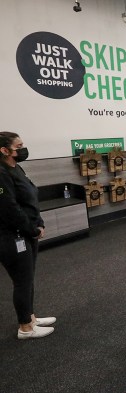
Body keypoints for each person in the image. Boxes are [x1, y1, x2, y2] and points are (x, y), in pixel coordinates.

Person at [0, 131, 55, 339]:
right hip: (12, 237)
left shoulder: (16, 168)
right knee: (22, 281)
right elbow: (10, 209)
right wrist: (32, 229)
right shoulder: (1, 174)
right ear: (4, 150)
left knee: (28, 277)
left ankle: (30, 317)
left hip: (27, 232)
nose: (23, 149)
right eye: (18, 146)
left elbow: (29, 198)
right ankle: (25, 328)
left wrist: (38, 223)